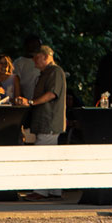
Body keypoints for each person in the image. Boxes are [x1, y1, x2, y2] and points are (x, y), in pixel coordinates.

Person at [19, 45, 66, 200]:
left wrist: (31, 102)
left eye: (37, 57)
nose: (34, 60)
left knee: (42, 154)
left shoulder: (55, 72)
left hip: (49, 120)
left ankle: (40, 191)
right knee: (51, 155)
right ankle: (54, 191)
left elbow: (52, 94)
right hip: (45, 120)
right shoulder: (46, 72)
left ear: (46, 56)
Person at [13, 35, 42, 100]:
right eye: (33, 44)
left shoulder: (42, 61)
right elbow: (15, 82)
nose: (35, 47)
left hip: (41, 101)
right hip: (25, 101)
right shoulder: (18, 62)